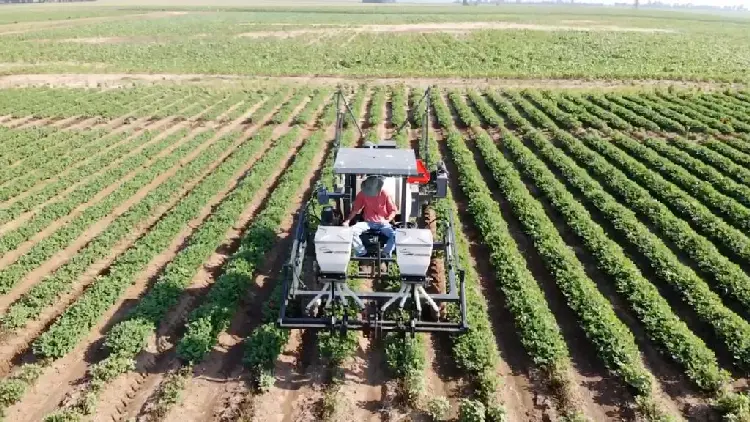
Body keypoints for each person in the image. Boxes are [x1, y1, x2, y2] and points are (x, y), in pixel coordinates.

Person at [342, 175, 398, 258]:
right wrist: (347, 221)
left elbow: (393, 210)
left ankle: (386, 253)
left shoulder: (385, 194)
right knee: (352, 231)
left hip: (383, 223)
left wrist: (388, 220)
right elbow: (356, 209)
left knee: (395, 235)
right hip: (368, 223)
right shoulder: (362, 194)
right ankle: (361, 252)